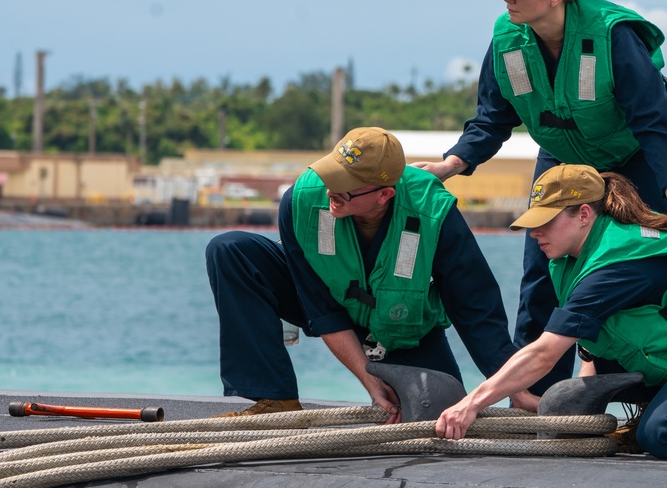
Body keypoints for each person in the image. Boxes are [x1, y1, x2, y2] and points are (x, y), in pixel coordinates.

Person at [415, 0, 667, 394]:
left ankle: (628, 397)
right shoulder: (507, 37)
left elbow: (657, 121)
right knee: (542, 275)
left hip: (633, 163)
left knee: (628, 275)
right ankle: (535, 399)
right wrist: (451, 164)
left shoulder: (612, 34)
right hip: (562, 160)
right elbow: (492, 117)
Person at [435, 164, 667, 461]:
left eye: (545, 221)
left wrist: (470, 404)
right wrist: (573, 407)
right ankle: (658, 408)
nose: (534, 233)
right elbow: (592, 341)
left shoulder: (621, 261)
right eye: (532, 222)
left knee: (664, 432)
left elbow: (545, 353)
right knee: (581, 394)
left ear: (584, 215)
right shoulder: (573, 255)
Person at [206, 127, 537, 423]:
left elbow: (475, 305)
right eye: (330, 176)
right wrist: (369, 379)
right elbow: (319, 305)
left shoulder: (434, 211)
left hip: (402, 324)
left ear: (384, 195)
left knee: (435, 412)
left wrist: (510, 385)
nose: (330, 191)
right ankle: (276, 399)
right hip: (326, 301)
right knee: (231, 249)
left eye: (345, 187)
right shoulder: (301, 200)